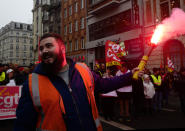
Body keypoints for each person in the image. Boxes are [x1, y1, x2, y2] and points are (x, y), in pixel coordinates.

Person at [14, 33, 143, 131]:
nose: (44, 51)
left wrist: (129, 76)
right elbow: (23, 124)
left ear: (63, 49)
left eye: (49, 46)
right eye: (41, 48)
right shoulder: (32, 83)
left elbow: (104, 84)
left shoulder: (83, 69)